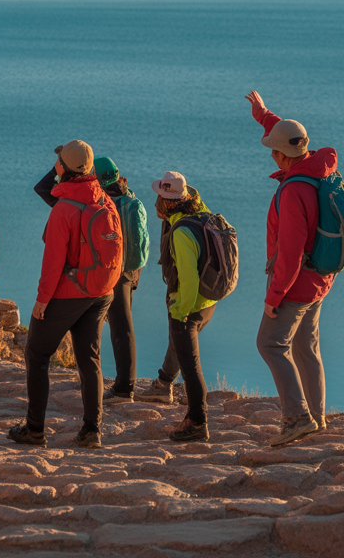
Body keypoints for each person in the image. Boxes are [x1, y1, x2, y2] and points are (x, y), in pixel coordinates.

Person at [10, 141, 123, 449]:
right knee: (89, 357)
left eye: (58, 161)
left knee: (37, 354)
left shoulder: (64, 209)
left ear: (63, 168)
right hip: (101, 291)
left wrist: (42, 299)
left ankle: (34, 429)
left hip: (68, 293)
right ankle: (91, 430)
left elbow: (54, 260)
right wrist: (67, 166)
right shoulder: (103, 199)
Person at [247, 89, 338, 447]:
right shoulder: (317, 166)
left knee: (269, 343)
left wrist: (274, 296)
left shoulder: (293, 191)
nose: (270, 154)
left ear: (280, 155)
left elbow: (290, 252)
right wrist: (263, 113)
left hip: (296, 284)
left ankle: (298, 418)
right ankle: (317, 418)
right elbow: (287, 133)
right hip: (320, 278)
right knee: (306, 347)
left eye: (273, 149)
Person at [34, 155, 149, 403]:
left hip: (98, 272)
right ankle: (122, 386)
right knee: (122, 327)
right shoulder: (127, 198)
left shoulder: (86, 200)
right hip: (127, 270)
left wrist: (61, 162)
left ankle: (122, 389)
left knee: (105, 336)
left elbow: (42, 188)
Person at [147, 171, 219, 442]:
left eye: (161, 198)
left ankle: (198, 423)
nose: (157, 202)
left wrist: (179, 313)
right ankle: (194, 418)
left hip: (189, 306)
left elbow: (188, 279)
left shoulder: (182, 232)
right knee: (190, 364)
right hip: (208, 302)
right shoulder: (200, 213)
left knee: (191, 368)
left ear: (169, 203)